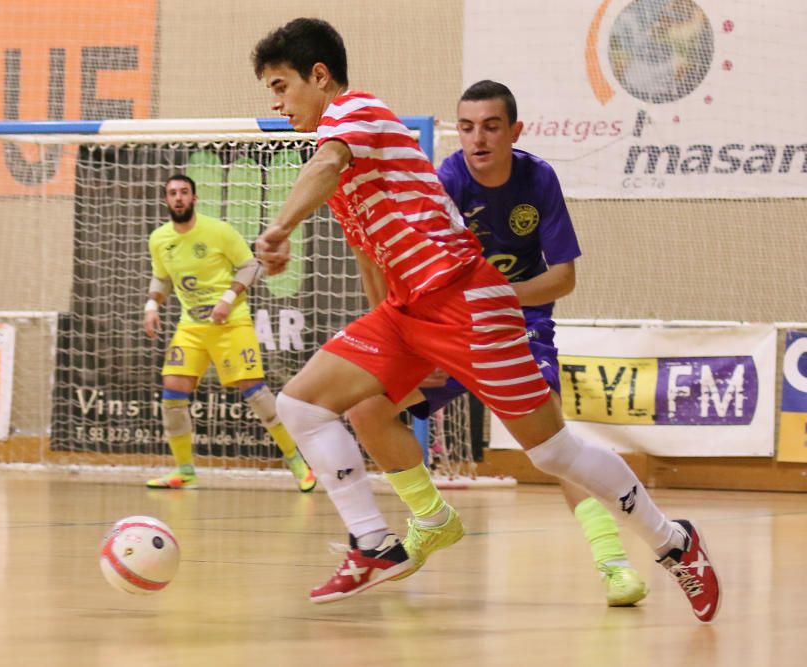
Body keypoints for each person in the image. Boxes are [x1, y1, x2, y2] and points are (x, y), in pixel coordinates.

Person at [251, 18, 720, 621]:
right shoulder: (344, 172)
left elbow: (324, 164)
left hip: (464, 301)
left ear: (320, 76)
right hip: (407, 310)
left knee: (553, 454)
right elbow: (368, 253)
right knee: (303, 405)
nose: (277, 102)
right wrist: (385, 353)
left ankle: (672, 541)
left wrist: (282, 226)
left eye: (282, 85)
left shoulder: (355, 112)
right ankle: (379, 538)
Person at [346, 80, 648, 607]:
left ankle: (613, 564)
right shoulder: (445, 182)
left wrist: (495, 297)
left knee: (554, 449)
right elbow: (410, 268)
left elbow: (562, 279)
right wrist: (419, 338)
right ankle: (428, 520)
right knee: (369, 407)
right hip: (450, 324)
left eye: (490, 126)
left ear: (514, 131)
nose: (477, 139)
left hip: (519, 324)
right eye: (466, 127)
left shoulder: (538, 180)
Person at [142, 174, 316, 493]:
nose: (178, 197)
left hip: (231, 322)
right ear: (166, 200)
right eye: (172, 193)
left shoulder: (218, 231)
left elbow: (249, 266)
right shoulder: (159, 239)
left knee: (256, 393)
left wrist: (226, 300)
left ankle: (297, 463)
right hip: (191, 326)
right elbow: (162, 278)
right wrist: (151, 306)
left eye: (184, 192)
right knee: (172, 391)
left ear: (194, 198)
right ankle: (185, 471)